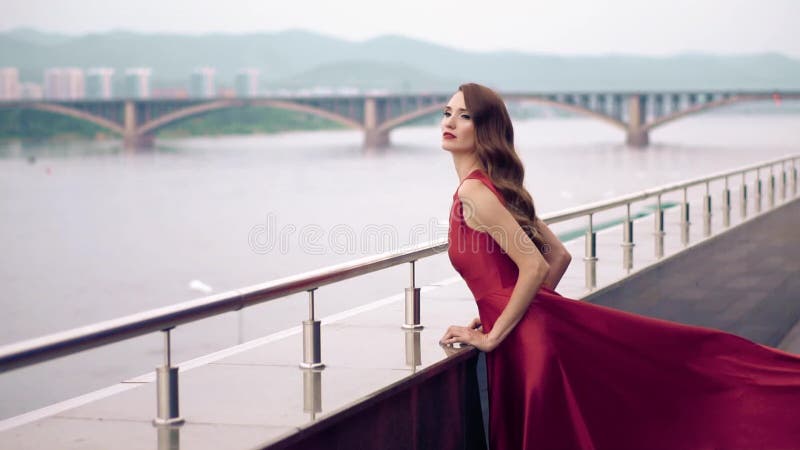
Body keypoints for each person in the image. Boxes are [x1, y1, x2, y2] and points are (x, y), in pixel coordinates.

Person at [438, 82, 800, 450]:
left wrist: (494, 333)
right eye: (447, 112)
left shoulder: (474, 192)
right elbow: (557, 256)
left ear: (484, 129)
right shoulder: (493, 187)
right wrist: (506, 312)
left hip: (523, 345)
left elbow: (533, 265)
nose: (450, 122)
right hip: (533, 335)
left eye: (464, 116)